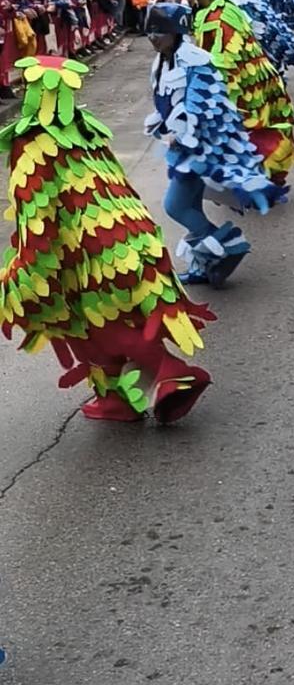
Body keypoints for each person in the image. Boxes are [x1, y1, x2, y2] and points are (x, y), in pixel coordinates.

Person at [0, 54, 213, 423]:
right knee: (94, 324)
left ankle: (170, 370)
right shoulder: (88, 133)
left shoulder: (32, 146)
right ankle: (116, 396)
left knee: (103, 325)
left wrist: (24, 278)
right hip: (132, 239)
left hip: (97, 252)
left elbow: (39, 224)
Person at [145, 3, 285, 287]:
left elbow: (202, 105)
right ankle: (202, 265)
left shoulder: (197, 61)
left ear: (176, 31)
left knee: (175, 206)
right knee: (190, 204)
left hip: (202, 149)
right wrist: (163, 126)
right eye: (149, 31)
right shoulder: (162, 61)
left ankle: (231, 248)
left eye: (160, 31)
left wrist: (183, 133)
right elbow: (163, 101)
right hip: (181, 149)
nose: (153, 37)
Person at [192, 0, 294, 184]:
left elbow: (224, 59)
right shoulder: (223, 10)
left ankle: (258, 181)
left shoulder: (218, 17)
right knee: (253, 130)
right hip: (253, 82)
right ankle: (262, 179)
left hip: (240, 87)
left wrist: (210, 90)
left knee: (248, 131)